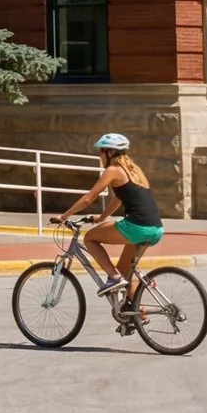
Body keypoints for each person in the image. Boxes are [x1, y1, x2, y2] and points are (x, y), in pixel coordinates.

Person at [61, 132, 164, 311]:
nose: (100, 156)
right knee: (125, 271)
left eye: (101, 152)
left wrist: (64, 216)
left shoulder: (113, 170)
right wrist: (101, 217)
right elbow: (117, 199)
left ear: (109, 152)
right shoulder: (134, 170)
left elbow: (89, 198)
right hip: (155, 228)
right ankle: (138, 314)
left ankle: (113, 278)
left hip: (137, 227)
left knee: (90, 238)